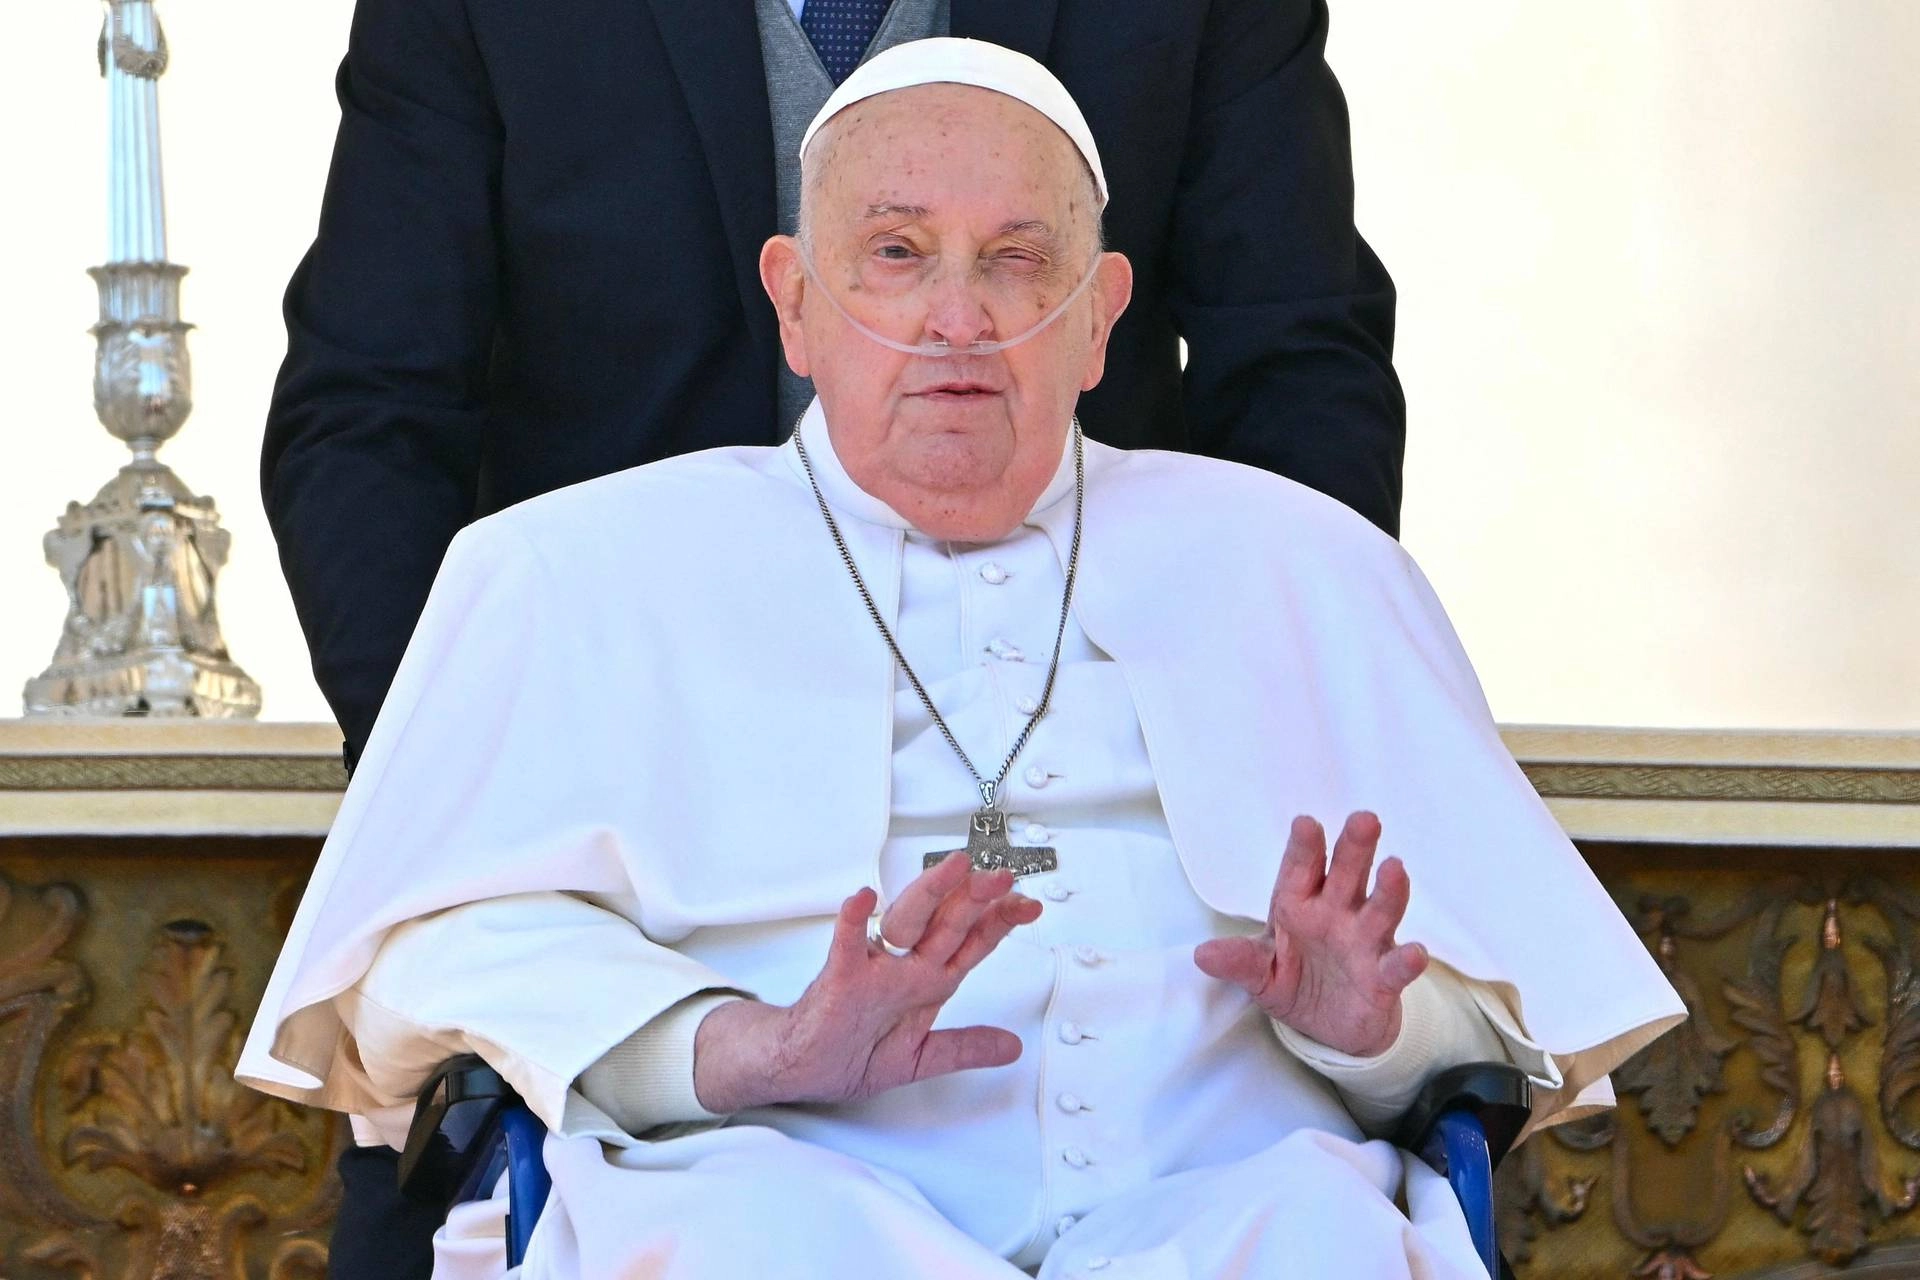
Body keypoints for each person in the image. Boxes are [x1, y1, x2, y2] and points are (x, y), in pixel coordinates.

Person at [243, 40, 1680, 1280]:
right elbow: (429, 973)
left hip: (1220, 1210)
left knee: (1325, 1237)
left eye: (1016, 262)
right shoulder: (568, 573)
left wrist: (1373, 1026)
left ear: (1105, 314)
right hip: (776, 1198)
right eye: (897, 254)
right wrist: (748, 1047)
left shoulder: (1304, 568)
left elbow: (1495, 1020)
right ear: (793, 302)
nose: (957, 318)